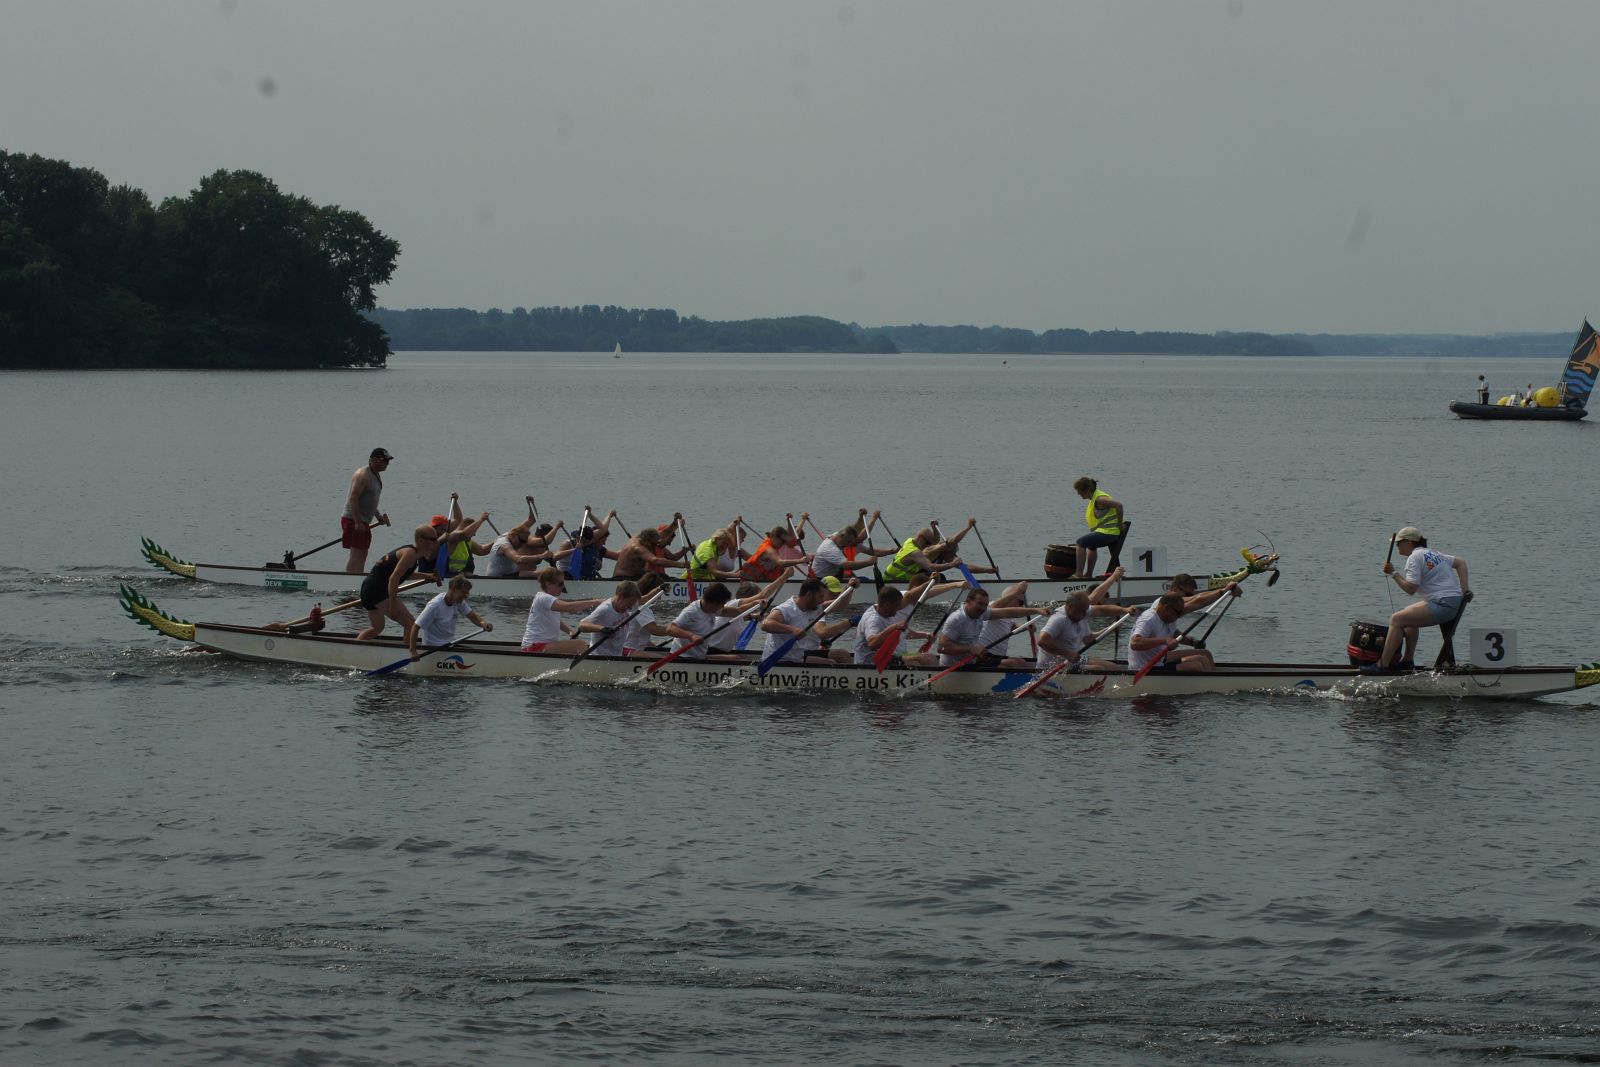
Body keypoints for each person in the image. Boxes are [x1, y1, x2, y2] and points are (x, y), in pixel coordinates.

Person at [1365, 526, 1471, 672]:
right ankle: (1407, 661)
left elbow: (1410, 589)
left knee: (1396, 619)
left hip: (1444, 604)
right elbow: (1461, 562)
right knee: (1407, 614)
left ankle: (1382, 665)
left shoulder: (1414, 557)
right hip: (1451, 601)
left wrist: (1393, 573)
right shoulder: (1433, 553)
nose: (1396, 546)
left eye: (1399, 543)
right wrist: (1464, 590)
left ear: (1409, 542)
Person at [669, 571, 793, 661]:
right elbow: (670, 629)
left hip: (699, 654)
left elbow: (738, 611)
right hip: (684, 656)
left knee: (736, 657)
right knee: (735, 659)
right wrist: (691, 636)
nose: (723, 606)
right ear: (714, 603)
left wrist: (752, 612)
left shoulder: (713, 609)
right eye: (722, 604)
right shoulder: (692, 611)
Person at [1035, 568, 1139, 673]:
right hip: (1053, 666)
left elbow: (1100, 614)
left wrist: (1123, 611)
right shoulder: (1059, 619)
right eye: (1082, 611)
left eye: (1086, 610)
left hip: (1072, 660)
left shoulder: (1081, 610)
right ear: (1070, 607)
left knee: (1114, 668)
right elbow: (1042, 641)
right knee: (1098, 670)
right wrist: (1067, 653)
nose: (1085, 614)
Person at [855, 579, 969, 668]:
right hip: (870, 662)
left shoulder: (888, 612)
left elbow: (903, 633)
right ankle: (937, 686)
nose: (898, 610)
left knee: (920, 660)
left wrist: (925, 635)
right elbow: (872, 643)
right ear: (886, 605)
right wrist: (893, 627)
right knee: (927, 658)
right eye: (896, 607)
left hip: (893, 656)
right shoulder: (873, 620)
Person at [355, 523, 440, 640]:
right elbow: (394, 578)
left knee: (377, 628)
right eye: (433, 539)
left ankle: (356, 646)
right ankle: (408, 650)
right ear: (420, 540)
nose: (435, 542)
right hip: (377, 591)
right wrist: (393, 605)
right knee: (411, 624)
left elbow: (404, 574)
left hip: (368, 589)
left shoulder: (411, 554)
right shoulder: (410, 554)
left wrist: (427, 576)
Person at [936, 586, 1049, 668]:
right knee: (1015, 663)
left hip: (973, 661)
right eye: (979, 604)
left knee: (1020, 662)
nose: (982, 608)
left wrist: (1036, 610)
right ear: (968, 601)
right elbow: (942, 648)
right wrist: (970, 649)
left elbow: (1010, 612)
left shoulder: (981, 613)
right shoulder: (957, 619)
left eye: (985, 605)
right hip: (955, 667)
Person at [760, 576, 860, 665]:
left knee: (837, 659)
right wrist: (792, 629)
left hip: (799, 657)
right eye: (820, 597)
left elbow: (840, 604)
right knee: (830, 664)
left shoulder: (815, 607)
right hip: (778, 661)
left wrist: (850, 588)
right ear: (809, 595)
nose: (822, 601)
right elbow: (765, 624)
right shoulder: (787, 609)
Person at [520, 567, 605, 654]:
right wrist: (595, 602)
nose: (563, 587)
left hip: (539, 645)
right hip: (534, 647)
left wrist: (570, 631)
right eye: (560, 584)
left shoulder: (546, 599)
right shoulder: (544, 598)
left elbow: (555, 620)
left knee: (576, 647)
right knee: (580, 645)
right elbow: (569, 607)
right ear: (548, 584)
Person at [882, 519, 993, 584]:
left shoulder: (944, 555)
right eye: (950, 554)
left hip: (904, 580)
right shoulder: (929, 551)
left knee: (940, 577)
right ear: (945, 549)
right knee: (939, 576)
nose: (951, 557)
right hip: (894, 582)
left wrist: (988, 570)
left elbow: (966, 567)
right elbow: (951, 542)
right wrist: (968, 527)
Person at [406, 575, 493, 658]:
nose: (466, 596)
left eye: (467, 593)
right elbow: (416, 626)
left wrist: (483, 623)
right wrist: (413, 651)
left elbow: (472, 616)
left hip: (449, 644)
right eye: (464, 592)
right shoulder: (435, 605)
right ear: (454, 589)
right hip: (432, 648)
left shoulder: (459, 602)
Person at [1128, 592, 1215, 674]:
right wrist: (1165, 640)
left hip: (1160, 660)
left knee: (1203, 656)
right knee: (1196, 666)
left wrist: (1192, 642)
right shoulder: (1148, 620)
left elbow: (1173, 633)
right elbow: (1135, 643)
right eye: (1177, 613)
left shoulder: (1165, 618)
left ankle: (1213, 681)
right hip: (1144, 668)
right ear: (1166, 608)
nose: (1179, 616)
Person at [342, 447, 392, 573]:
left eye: (388, 461)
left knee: (363, 553)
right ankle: (349, 580)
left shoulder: (376, 475)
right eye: (385, 460)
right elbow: (353, 498)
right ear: (374, 460)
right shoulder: (363, 475)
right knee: (356, 553)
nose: (387, 464)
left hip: (363, 521)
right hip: (353, 519)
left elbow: (370, 499)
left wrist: (378, 515)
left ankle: (358, 578)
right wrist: (357, 522)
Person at [1071, 476, 1125, 578]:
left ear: (1088, 490)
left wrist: (1120, 524)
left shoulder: (1100, 499)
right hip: (1106, 532)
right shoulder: (1094, 498)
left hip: (1109, 533)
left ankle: (1078, 574)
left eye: (1079, 491)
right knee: (1091, 546)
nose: (1078, 493)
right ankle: (1088, 574)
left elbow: (1119, 505)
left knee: (1080, 543)